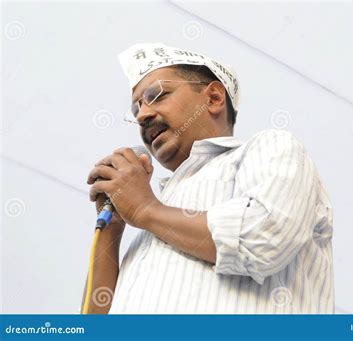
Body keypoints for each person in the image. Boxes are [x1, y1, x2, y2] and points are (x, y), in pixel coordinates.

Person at [82, 43, 334, 314]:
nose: (142, 115)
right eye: (136, 110)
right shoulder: (148, 228)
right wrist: (113, 229)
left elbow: (262, 239)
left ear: (213, 98)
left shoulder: (270, 147)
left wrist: (145, 209)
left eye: (157, 95)